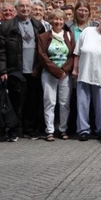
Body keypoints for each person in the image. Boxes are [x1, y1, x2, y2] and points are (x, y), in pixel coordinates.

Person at [0, 0, 46, 141]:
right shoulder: (7, 26)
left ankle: (30, 129)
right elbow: (1, 50)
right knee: (16, 101)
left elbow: (42, 49)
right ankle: (14, 129)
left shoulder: (38, 26)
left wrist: (39, 67)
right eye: (22, 6)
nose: (25, 9)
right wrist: (3, 70)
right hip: (16, 70)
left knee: (32, 101)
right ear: (16, 8)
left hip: (34, 70)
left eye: (27, 6)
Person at [73, 9, 101, 141]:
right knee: (82, 103)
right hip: (84, 73)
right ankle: (83, 130)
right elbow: (77, 53)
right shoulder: (88, 31)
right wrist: (75, 69)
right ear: (98, 19)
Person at [36, 9, 75, 141]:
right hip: (48, 74)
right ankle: (50, 130)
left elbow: (72, 55)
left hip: (65, 74)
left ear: (64, 21)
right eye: (55, 19)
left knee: (64, 103)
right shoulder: (43, 37)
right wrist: (56, 71)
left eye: (60, 19)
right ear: (50, 21)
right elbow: (42, 56)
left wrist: (64, 70)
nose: (57, 22)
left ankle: (63, 129)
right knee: (49, 102)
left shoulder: (69, 36)